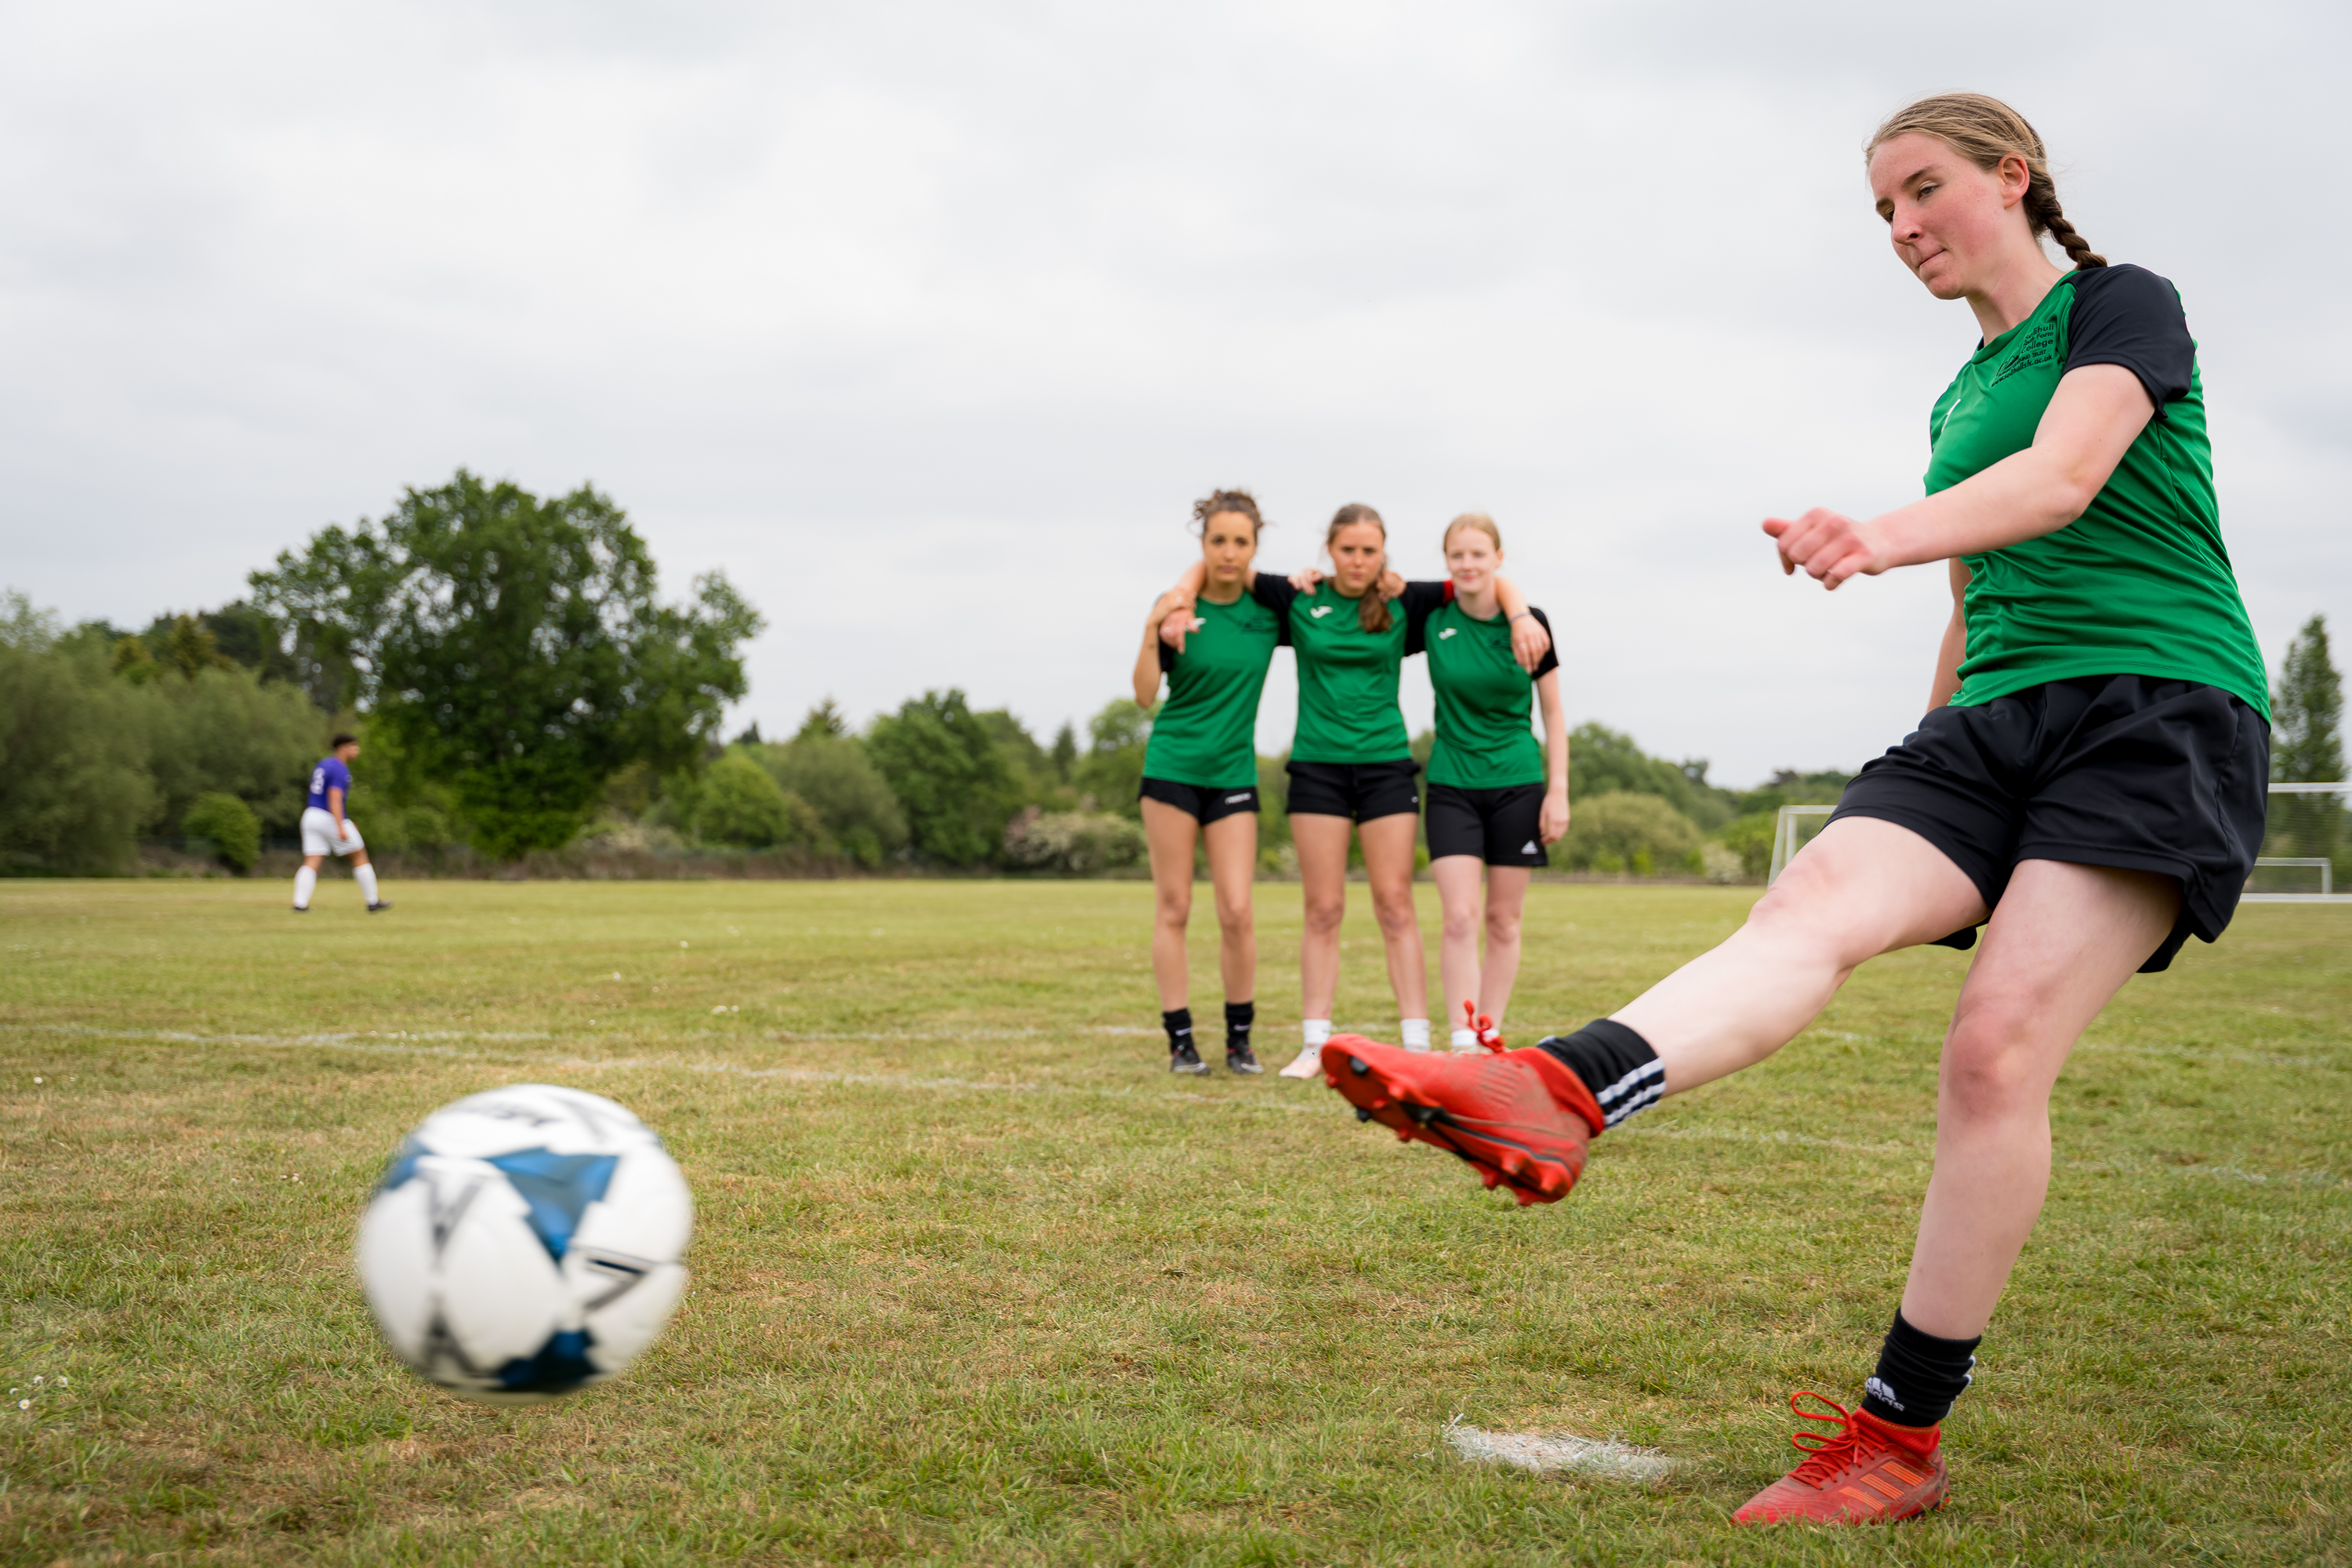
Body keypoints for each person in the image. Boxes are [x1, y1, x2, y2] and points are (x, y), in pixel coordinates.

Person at [1318, 93, 2269, 1526]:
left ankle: (1897, 1439)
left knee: (1994, 1053)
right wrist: (1934, 747)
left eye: (1923, 191)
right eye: (1881, 211)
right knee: (1809, 902)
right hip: (1991, 719)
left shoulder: (2125, 305)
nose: (1901, 229)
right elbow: (1975, 588)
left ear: (2014, 181)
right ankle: (1559, 1091)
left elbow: (2063, 484)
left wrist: (1872, 533)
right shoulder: (1958, 398)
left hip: (2156, 710)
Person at [1162, 505, 1549, 1077]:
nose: (1359, 561)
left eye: (1370, 551)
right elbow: (1224, 568)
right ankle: (1316, 1042)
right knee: (1323, 909)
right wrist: (1178, 597)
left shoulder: (1406, 602)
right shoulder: (1296, 597)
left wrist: (1520, 616)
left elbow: (1484, 578)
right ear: (1330, 552)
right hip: (1316, 769)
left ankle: (1415, 1041)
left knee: (1395, 905)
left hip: (1387, 769)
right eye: (1348, 550)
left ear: (1384, 553)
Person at [1134, 490, 1286, 1075]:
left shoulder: (1269, 609)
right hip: (1171, 767)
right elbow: (1145, 694)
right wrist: (1155, 624)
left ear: (1254, 547)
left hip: (1233, 774)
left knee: (1238, 909)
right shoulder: (1174, 607)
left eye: (1240, 542)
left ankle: (1239, 1042)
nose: (1229, 552)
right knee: (1174, 907)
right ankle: (1181, 1043)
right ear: (1203, 544)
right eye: (1218, 541)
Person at [1421, 514, 1568, 1051]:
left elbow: (1553, 715)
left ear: (1498, 559)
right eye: (1457, 555)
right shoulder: (1431, 617)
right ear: (1446, 562)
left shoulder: (1533, 625)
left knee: (1503, 919)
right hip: (1451, 785)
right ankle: (1461, 1036)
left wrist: (1559, 791)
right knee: (1458, 917)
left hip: (1518, 783)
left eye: (1478, 555)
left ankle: (1489, 1031)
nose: (1467, 565)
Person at [295, 734, 390, 913]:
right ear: (342, 748)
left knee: (312, 859)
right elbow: (334, 797)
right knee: (359, 855)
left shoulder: (323, 764)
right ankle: (373, 902)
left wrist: (346, 820)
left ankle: (300, 905)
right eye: (354, 746)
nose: (357, 750)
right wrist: (340, 825)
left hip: (310, 815)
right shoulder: (340, 768)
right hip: (328, 817)